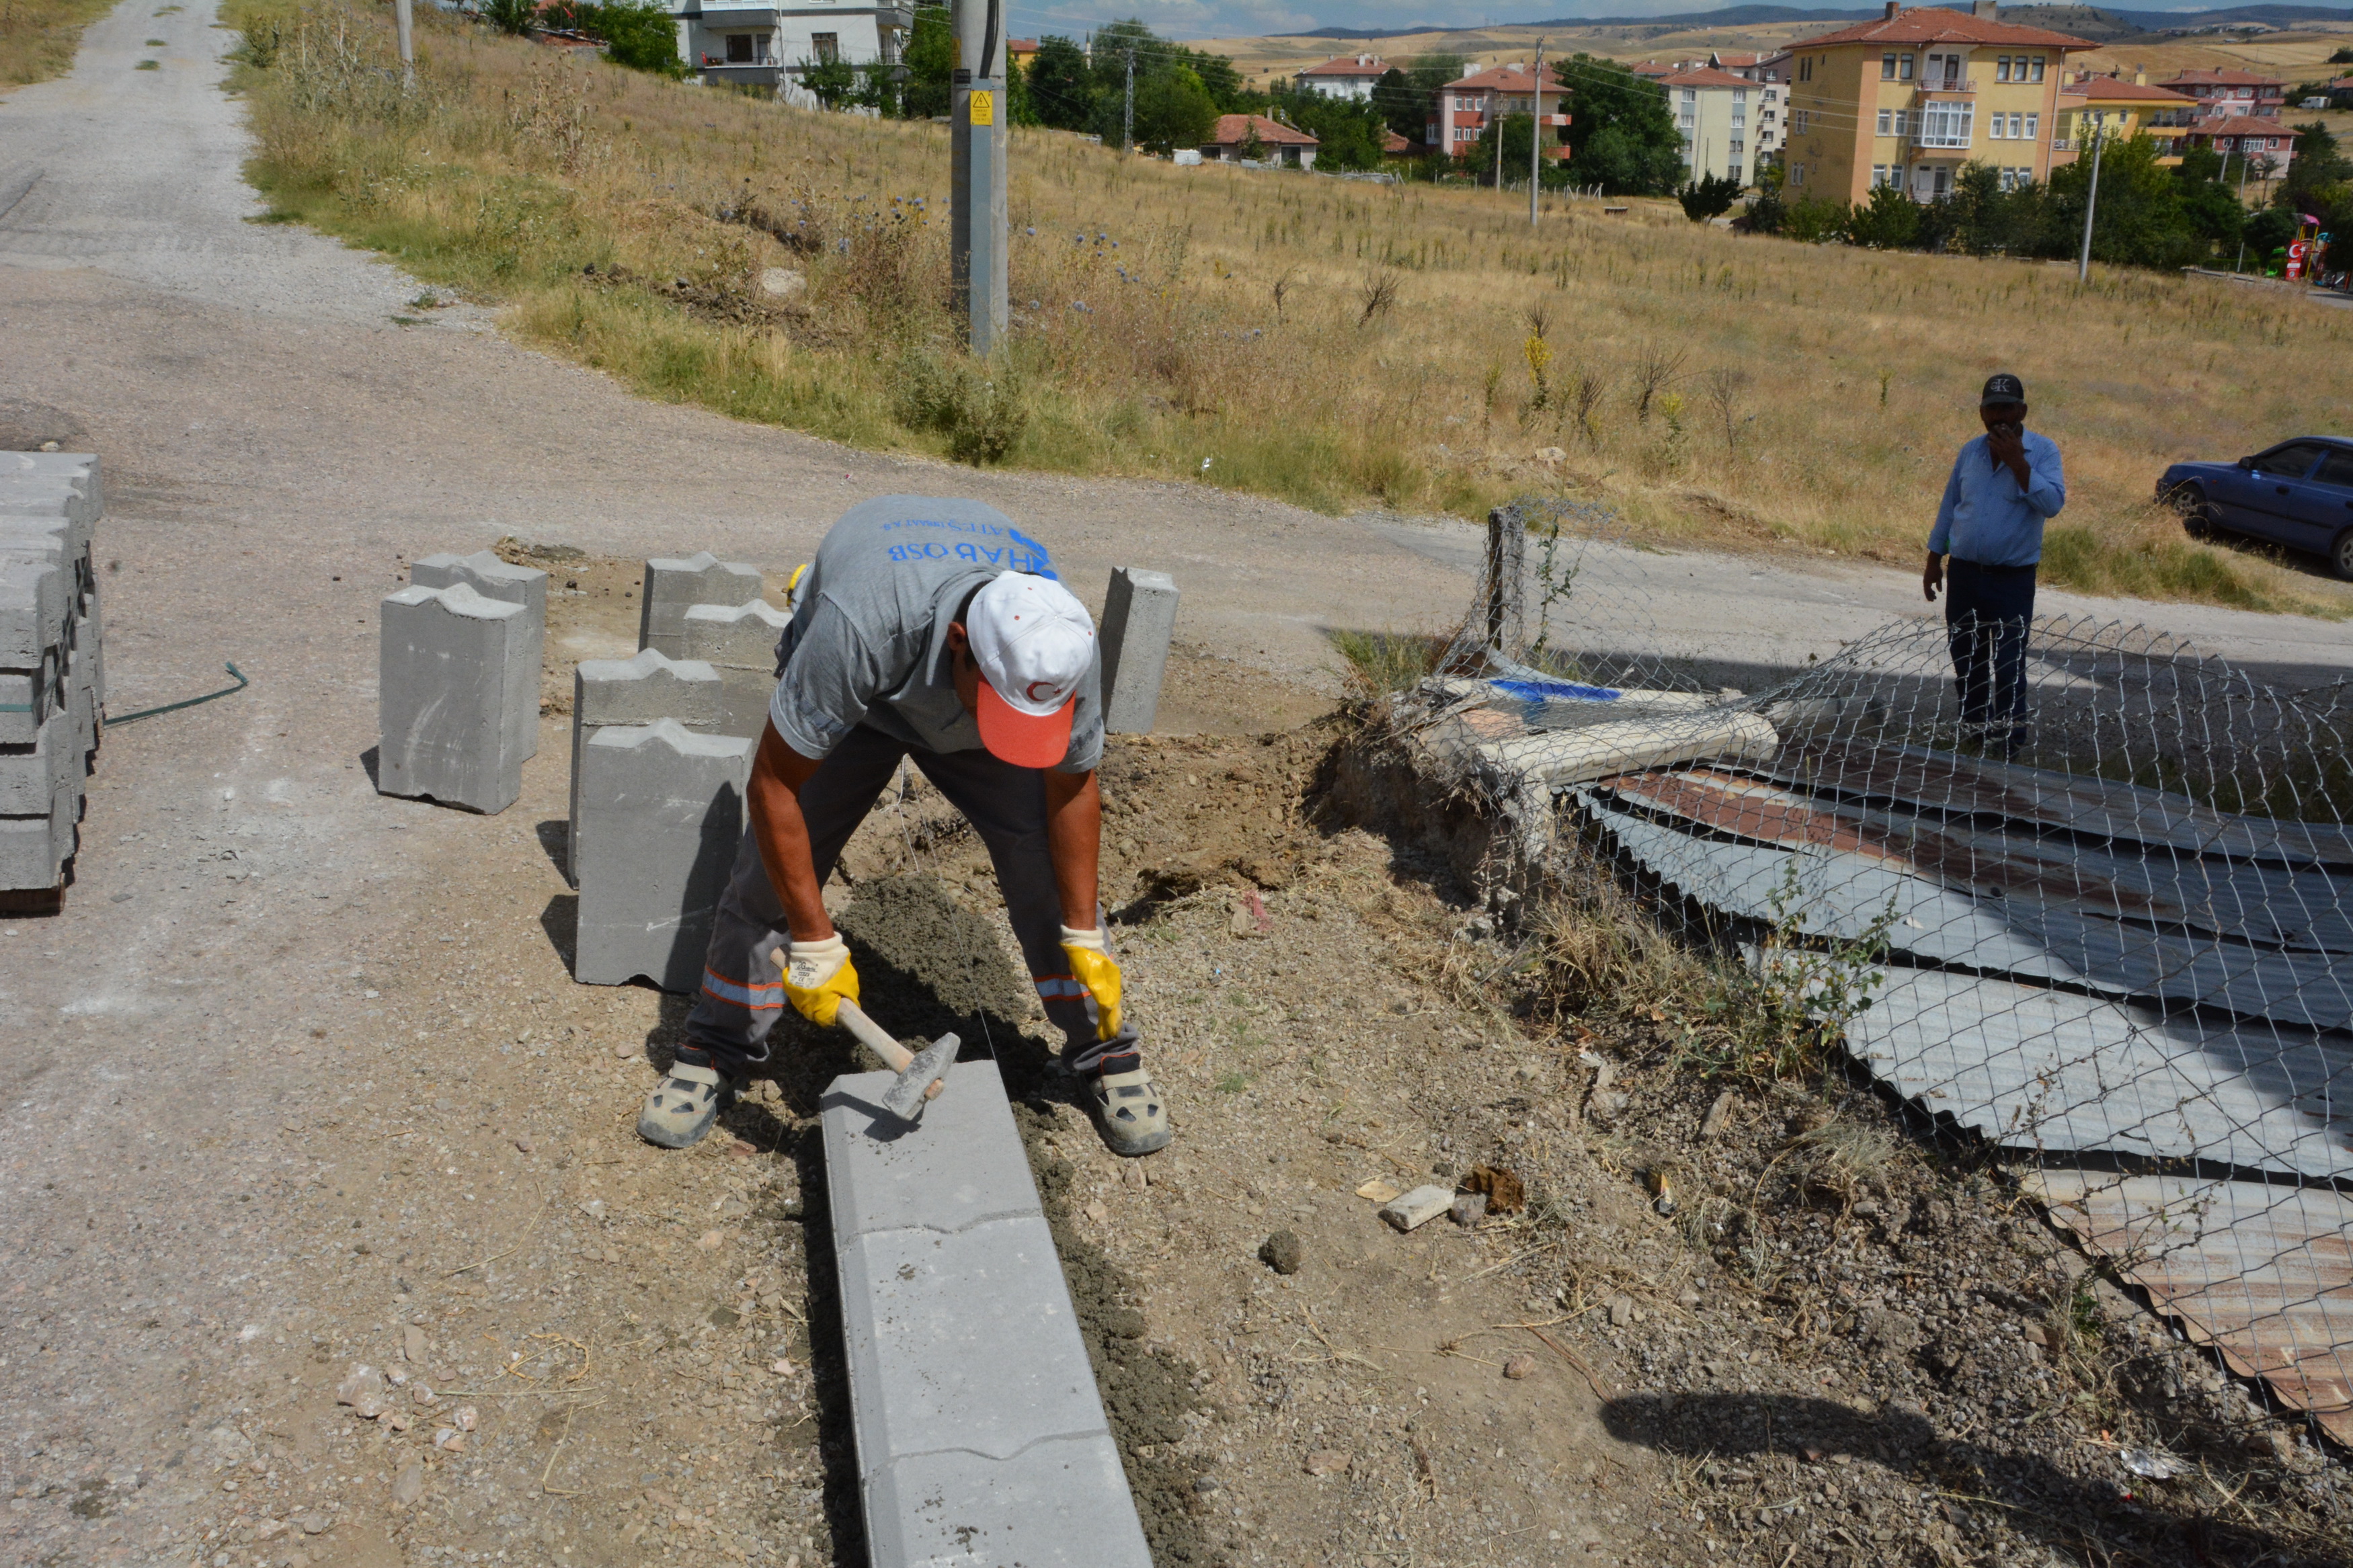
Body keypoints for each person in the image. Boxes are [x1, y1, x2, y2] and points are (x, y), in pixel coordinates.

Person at [637, 497, 1171, 1158]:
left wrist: (1083, 928)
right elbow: (773, 783)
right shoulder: (858, 625)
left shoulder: (1058, 648)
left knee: (1047, 870)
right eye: (1002, 706)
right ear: (959, 647)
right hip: (867, 698)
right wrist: (814, 940)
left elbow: (1071, 787)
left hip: (960, 701)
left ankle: (1103, 1047)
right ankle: (715, 1043)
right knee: (769, 877)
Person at [1922, 372, 2065, 750]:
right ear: (1981, 413)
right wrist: (1934, 558)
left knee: (2007, 664)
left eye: (2006, 408)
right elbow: (1951, 506)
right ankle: (1974, 734)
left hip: (2012, 581)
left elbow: (2052, 505)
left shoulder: (2043, 452)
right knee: (1967, 661)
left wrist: (2018, 463)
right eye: (1991, 408)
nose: (1999, 416)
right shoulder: (1970, 451)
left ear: (2022, 410)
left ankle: (2009, 742)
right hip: (1966, 575)